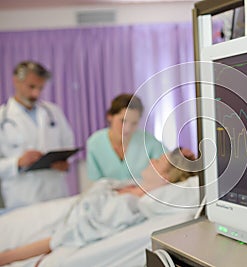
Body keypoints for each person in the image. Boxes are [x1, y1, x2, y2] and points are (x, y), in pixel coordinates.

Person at [0, 148, 196, 266]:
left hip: (58, 232)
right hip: (61, 212)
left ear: (166, 177)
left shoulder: (128, 206)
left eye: (159, 161)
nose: (151, 160)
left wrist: (8, 257)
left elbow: (68, 236)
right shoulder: (128, 186)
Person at [0, 61, 75, 209]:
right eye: (31, 87)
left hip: (55, 194)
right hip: (22, 198)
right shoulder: (3, 118)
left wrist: (65, 163)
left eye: (40, 88)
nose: (36, 93)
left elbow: (68, 144)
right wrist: (18, 162)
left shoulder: (53, 112)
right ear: (16, 81)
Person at [86, 93, 164, 181]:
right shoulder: (95, 143)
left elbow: (169, 167)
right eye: (123, 121)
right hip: (109, 194)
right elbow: (95, 181)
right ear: (110, 117)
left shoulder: (149, 142)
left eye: (134, 123)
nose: (127, 129)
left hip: (142, 193)